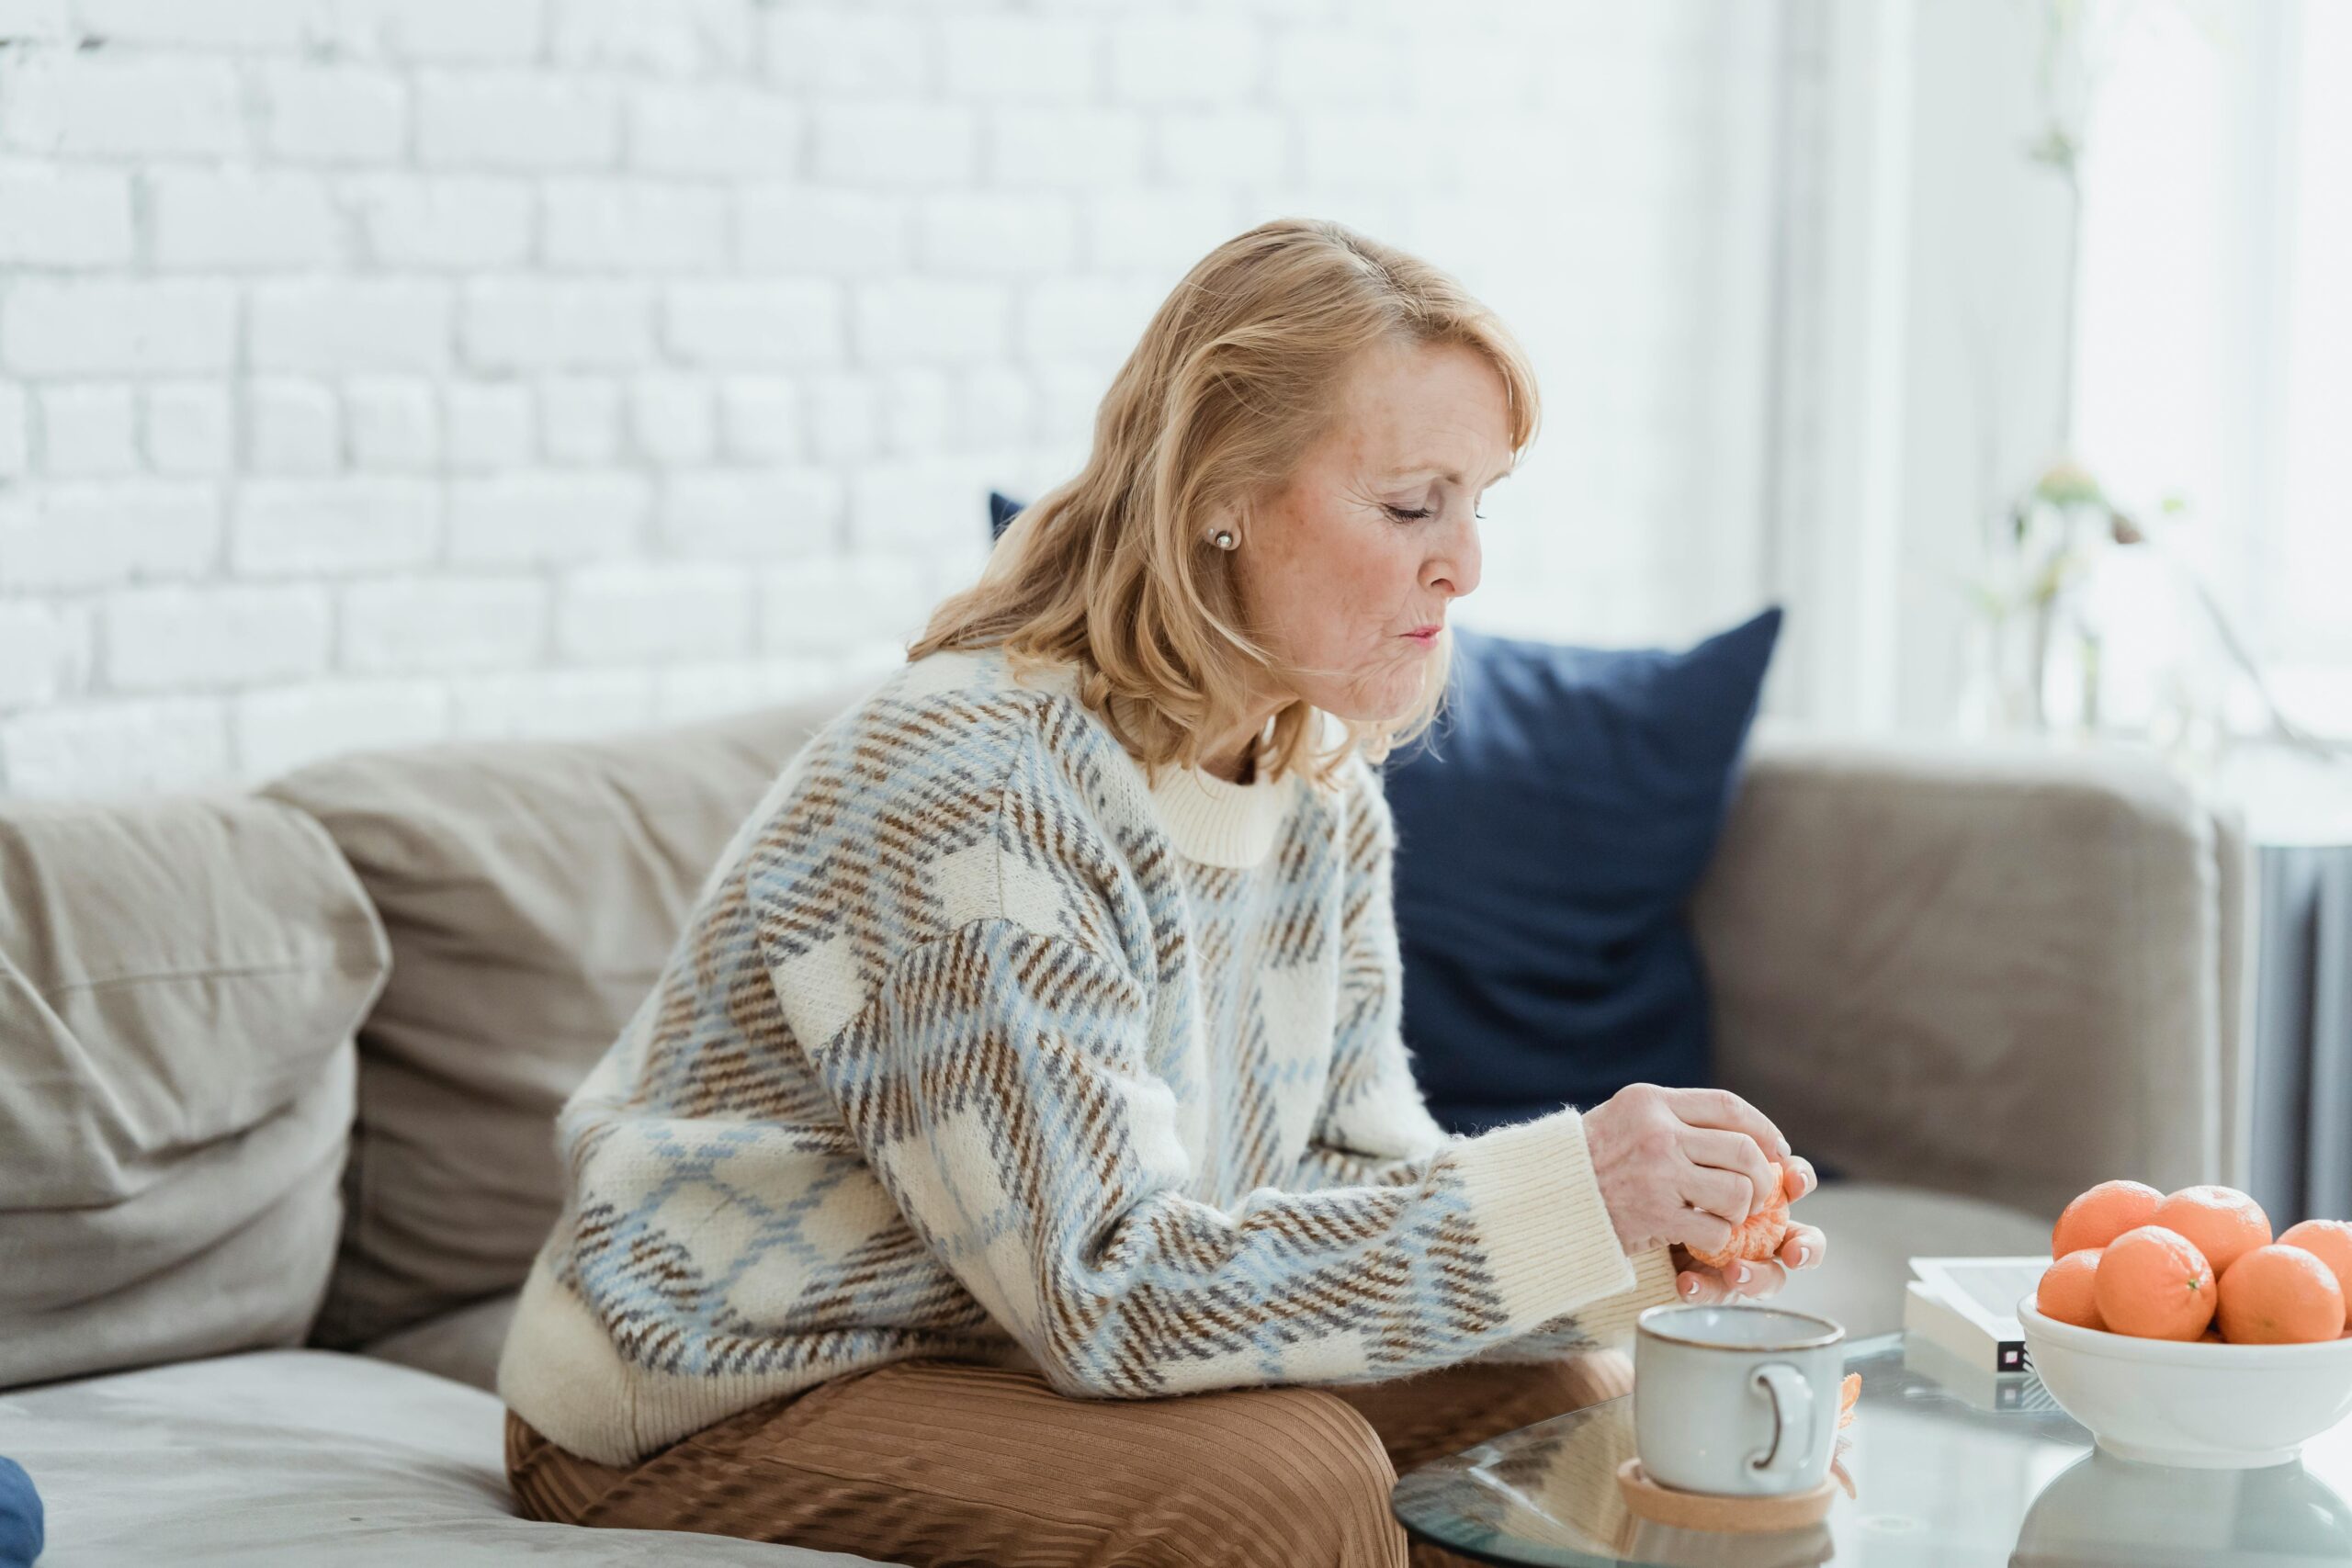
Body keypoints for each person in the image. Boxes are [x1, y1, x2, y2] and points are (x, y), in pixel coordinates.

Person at [497, 216, 1828, 1568]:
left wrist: (1626, 1247)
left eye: (1479, 503)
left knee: (1562, 1404)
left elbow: (1337, 1171)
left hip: (1000, 1334)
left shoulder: (1316, 787)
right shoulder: (982, 788)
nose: (1466, 565)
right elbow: (1104, 1291)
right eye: (1413, 503)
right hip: (721, 1385)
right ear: (1219, 492)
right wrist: (1569, 1192)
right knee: (1284, 1485)